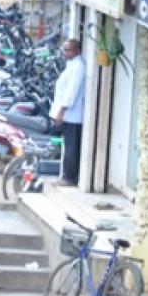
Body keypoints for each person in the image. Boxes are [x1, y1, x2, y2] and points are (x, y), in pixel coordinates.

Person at [50, 38, 86, 186]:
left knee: (71, 148)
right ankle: (66, 175)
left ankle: (69, 178)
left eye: (68, 50)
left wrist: (61, 112)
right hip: (68, 114)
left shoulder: (78, 67)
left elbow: (71, 93)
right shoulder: (72, 65)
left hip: (71, 115)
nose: (64, 53)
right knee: (68, 146)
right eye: (64, 49)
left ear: (76, 51)